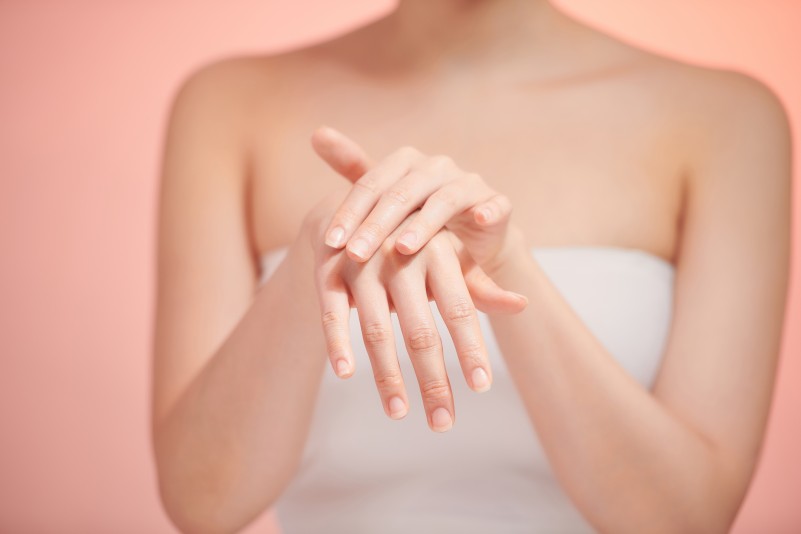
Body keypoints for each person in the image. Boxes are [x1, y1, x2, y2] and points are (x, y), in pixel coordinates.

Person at [150, 0, 792, 532]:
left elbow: (688, 518)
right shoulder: (228, 103)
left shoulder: (729, 119)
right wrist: (314, 259)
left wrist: (508, 267)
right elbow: (202, 505)